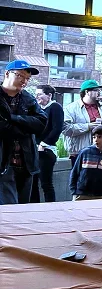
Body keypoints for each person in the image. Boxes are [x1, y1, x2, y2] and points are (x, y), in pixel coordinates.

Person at [0, 60, 47, 205]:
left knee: (23, 210)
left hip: (26, 163)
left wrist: (14, 118)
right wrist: (26, 127)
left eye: (27, 79)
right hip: (3, 163)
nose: (24, 81)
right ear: (7, 74)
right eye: (20, 76)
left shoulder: (28, 99)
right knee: (8, 208)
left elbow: (41, 123)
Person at [63, 79, 102, 165]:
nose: (99, 92)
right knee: (81, 178)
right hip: (80, 153)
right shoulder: (71, 108)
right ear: (87, 92)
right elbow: (65, 129)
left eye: (100, 90)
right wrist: (87, 126)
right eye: (96, 90)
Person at [31, 84, 64, 203]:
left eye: (39, 94)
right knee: (32, 183)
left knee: (46, 183)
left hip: (46, 150)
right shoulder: (38, 108)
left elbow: (57, 128)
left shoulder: (55, 107)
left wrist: (44, 143)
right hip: (35, 149)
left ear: (49, 95)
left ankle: (51, 208)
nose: (37, 96)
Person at [69, 125, 102, 200]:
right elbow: (75, 172)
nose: (96, 140)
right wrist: (74, 191)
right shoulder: (85, 153)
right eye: (94, 137)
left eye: (99, 137)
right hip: (82, 194)